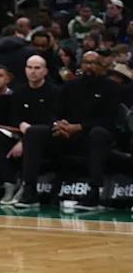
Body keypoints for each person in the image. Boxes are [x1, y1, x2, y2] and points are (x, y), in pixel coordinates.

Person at [15, 51, 118, 210]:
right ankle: (29, 190)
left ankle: (93, 193)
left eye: (93, 63)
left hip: (91, 136)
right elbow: (54, 112)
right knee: (34, 132)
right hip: (65, 134)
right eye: (85, 63)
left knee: (98, 134)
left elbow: (110, 120)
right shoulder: (70, 86)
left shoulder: (110, 87)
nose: (88, 67)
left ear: (101, 66)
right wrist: (58, 124)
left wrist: (79, 127)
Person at [0, 55, 58, 204]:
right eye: (30, 68)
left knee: (34, 135)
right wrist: (20, 126)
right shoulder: (19, 92)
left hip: (47, 138)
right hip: (22, 135)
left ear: (45, 71)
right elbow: (14, 118)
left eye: (37, 68)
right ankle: (8, 185)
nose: (33, 71)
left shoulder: (54, 92)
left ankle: (27, 188)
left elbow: (52, 120)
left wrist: (24, 140)